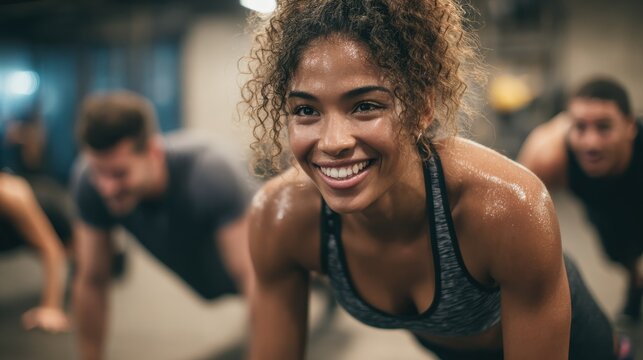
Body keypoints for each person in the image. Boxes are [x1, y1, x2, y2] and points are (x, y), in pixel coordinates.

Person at [241, 1, 627, 359]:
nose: (333, 142)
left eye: (366, 106)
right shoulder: (281, 217)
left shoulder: (508, 207)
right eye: (306, 110)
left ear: (422, 107)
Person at [71, 91, 255, 360]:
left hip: (270, 251)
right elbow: (92, 279)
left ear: (154, 152)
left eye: (119, 174)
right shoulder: (88, 182)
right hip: (211, 274)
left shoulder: (209, 171)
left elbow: (254, 279)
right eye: (99, 172)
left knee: (295, 277)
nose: (107, 188)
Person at [518, 78, 643, 322]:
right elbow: (516, 216)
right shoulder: (548, 155)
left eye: (604, 127)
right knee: (620, 255)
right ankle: (635, 284)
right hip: (603, 208)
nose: (591, 143)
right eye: (580, 127)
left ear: (630, 126)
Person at [0, 171, 70, 333]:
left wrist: (51, 307)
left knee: (91, 265)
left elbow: (51, 249)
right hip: (14, 231)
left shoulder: (9, 195)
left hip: (56, 216)